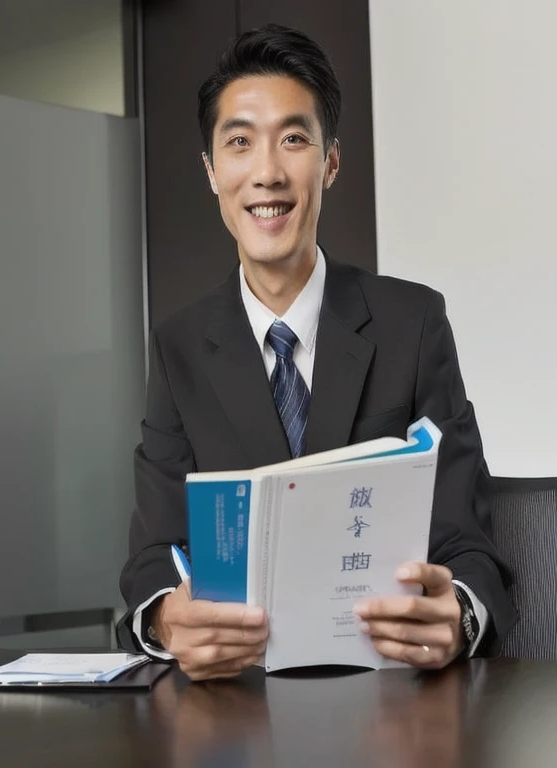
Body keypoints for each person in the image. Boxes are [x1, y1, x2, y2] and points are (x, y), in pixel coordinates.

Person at [116, 24, 516, 681]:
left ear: (330, 161)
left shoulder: (411, 323)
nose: (267, 173)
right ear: (213, 172)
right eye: (240, 142)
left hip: (391, 706)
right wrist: (167, 621)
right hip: (235, 709)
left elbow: (465, 541)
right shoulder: (178, 347)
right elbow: (154, 555)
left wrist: (461, 617)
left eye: (294, 139)